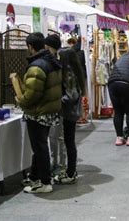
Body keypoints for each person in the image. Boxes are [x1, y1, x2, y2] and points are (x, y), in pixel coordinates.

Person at [17, 32, 62, 194]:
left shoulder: (37, 66)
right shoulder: (52, 62)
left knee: (40, 147)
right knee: (40, 145)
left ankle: (45, 182)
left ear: (30, 47)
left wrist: (20, 100)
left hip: (38, 112)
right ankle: (35, 177)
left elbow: (32, 94)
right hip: (49, 111)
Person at [53, 48, 86, 184]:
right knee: (69, 141)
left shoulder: (69, 74)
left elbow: (71, 95)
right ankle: (71, 171)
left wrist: (57, 100)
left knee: (69, 141)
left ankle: (71, 172)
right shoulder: (75, 71)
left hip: (69, 111)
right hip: (71, 111)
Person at [45, 34, 66, 173]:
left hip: (57, 103)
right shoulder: (57, 61)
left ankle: (59, 163)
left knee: (56, 136)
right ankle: (58, 162)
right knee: (57, 136)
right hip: (59, 102)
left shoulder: (54, 62)